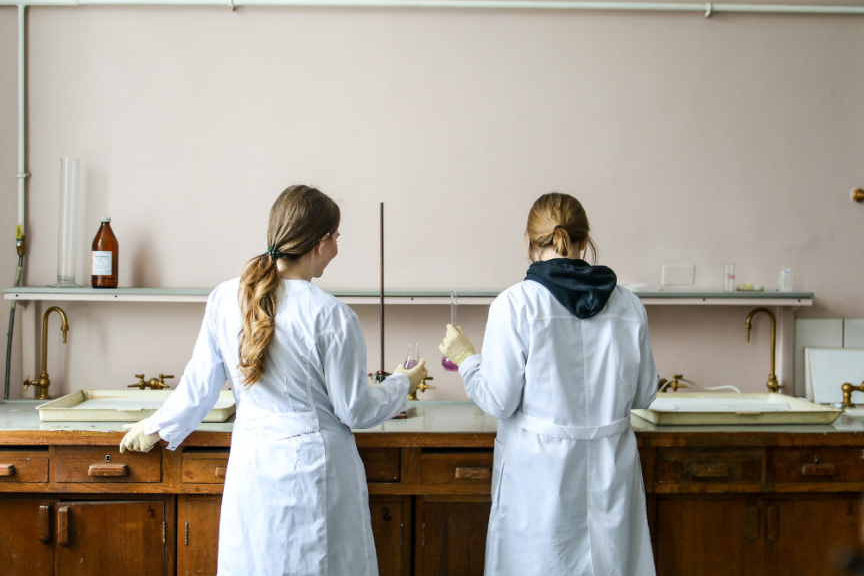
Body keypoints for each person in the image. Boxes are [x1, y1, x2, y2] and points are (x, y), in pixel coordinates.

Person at [120, 185, 427, 576]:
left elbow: (200, 385)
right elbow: (356, 410)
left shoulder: (225, 298)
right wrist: (402, 382)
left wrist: (156, 426)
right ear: (321, 242)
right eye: (336, 238)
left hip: (254, 466)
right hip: (315, 469)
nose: (336, 249)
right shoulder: (331, 315)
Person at [439, 192, 657, 576]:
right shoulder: (628, 305)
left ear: (528, 241)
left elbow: (498, 400)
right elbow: (643, 394)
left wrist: (466, 358)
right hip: (610, 474)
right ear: (584, 241)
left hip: (539, 480)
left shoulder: (516, 304)